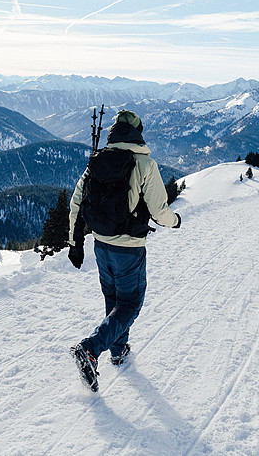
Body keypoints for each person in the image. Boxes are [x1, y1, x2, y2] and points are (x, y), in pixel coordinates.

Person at [68, 110, 181, 391]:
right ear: (138, 133)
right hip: (128, 248)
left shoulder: (97, 161)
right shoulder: (145, 164)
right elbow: (158, 210)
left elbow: (76, 203)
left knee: (114, 299)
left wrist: (75, 243)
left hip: (101, 244)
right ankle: (91, 348)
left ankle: (117, 351)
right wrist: (175, 221)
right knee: (129, 304)